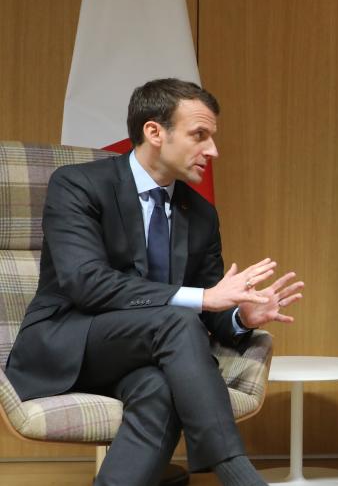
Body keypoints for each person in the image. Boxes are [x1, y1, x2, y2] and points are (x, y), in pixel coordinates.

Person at [5, 78, 304, 486]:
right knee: (177, 319)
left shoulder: (200, 214)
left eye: (212, 138)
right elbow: (86, 283)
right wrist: (202, 299)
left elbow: (211, 311)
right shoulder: (78, 185)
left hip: (147, 356)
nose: (212, 151)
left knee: (160, 390)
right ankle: (236, 471)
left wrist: (240, 316)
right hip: (69, 344)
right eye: (199, 135)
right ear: (154, 132)